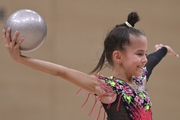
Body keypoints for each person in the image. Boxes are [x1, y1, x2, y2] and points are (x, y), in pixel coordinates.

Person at [2, 12, 179, 120]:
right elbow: (61, 72)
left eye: (144, 52)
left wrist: (164, 50)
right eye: (139, 54)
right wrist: (21, 59)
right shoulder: (107, 89)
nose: (145, 59)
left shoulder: (140, 80)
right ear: (117, 56)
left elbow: (154, 59)